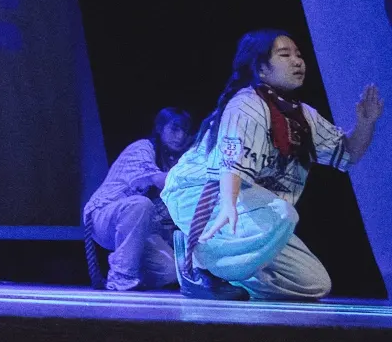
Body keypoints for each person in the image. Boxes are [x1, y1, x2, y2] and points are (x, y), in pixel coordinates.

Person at [162, 30, 380, 301]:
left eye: (299, 55)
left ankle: (228, 271)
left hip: (254, 209)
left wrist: (366, 123)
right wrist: (228, 206)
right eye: (285, 55)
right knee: (283, 214)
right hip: (201, 193)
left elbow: (347, 153)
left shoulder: (303, 116)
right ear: (261, 69)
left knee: (314, 283)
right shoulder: (246, 105)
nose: (297, 61)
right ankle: (198, 259)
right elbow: (230, 165)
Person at [81, 107, 191, 292]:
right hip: (104, 216)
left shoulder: (173, 162)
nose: (180, 136)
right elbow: (159, 180)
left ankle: (132, 271)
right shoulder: (142, 148)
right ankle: (121, 276)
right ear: (159, 128)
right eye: (175, 128)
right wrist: (199, 176)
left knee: (172, 270)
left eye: (185, 131)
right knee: (141, 204)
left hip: (140, 228)